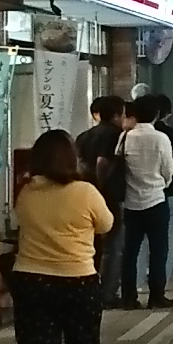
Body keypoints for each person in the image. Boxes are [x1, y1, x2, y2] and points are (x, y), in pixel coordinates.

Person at [5, 130, 124, 344]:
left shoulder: (27, 192)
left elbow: (18, 222)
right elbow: (107, 224)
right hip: (78, 280)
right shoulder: (85, 192)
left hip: (31, 281)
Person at [115, 93, 173, 308]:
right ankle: (156, 296)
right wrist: (159, 182)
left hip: (131, 203)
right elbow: (168, 170)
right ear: (156, 115)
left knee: (130, 251)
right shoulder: (160, 138)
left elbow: (119, 166)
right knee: (158, 250)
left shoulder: (125, 137)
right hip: (155, 200)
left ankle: (129, 297)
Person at [78, 96, 131, 302]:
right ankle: (107, 293)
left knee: (92, 246)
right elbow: (102, 162)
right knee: (113, 246)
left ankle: (90, 289)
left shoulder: (84, 136)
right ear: (118, 114)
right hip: (109, 196)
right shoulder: (117, 135)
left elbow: (80, 164)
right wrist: (100, 186)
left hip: (84, 196)